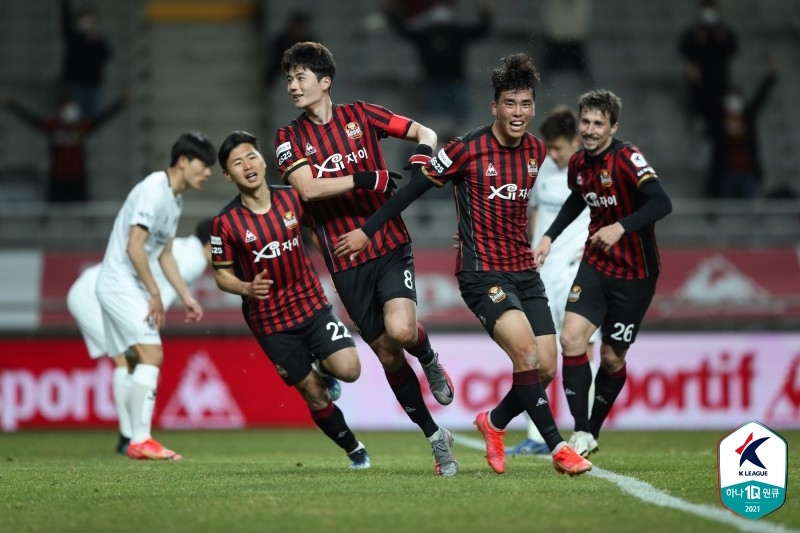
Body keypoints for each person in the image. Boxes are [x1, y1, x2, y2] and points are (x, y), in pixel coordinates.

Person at [334, 52, 592, 477]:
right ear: (494, 106)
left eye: (526, 103)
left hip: (525, 271)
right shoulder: (465, 148)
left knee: (545, 365)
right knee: (526, 351)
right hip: (481, 273)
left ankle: (493, 423)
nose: (518, 112)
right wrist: (367, 228)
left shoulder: (536, 151)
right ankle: (560, 449)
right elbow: (412, 190)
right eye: (509, 103)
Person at [274, 41, 457, 477]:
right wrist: (366, 176)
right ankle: (437, 439)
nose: (293, 86)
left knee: (401, 330)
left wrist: (421, 155)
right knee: (390, 357)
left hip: (389, 244)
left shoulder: (363, 115)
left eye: (300, 77)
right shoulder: (288, 138)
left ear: (325, 81)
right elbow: (308, 189)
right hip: (345, 262)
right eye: (288, 80)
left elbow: (425, 133)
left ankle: (429, 359)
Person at [212, 130, 370, 470]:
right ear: (228, 175)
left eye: (251, 156)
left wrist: (340, 274)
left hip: (311, 305)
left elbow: (318, 235)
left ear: (263, 159)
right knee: (313, 394)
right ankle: (354, 450)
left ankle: (328, 371)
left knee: (350, 369)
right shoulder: (224, 224)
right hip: (271, 323)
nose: (247, 165)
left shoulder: (293, 199)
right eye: (237, 163)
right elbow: (221, 275)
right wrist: (245, 288)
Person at [532, 89, 673, 457]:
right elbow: (578, 198)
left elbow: (661, 202)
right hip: (596, 265)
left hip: (635, 273)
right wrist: (548, 235)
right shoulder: (578, 163)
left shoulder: (628, 158)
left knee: (611, 358)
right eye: (587, 122)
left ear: (613, 127)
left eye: (599, 123)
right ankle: (579, 430)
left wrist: (621, 227)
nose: (591, 129)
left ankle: (591, 430)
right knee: (571, 340)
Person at [95, 131, 216, 461]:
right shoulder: (153, 190)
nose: (207, 173)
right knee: (152, 355)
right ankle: (140, 439)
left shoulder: (174, 199)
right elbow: (134, 246)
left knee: (136, 362)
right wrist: (155, 294)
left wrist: (185, 295)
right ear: (182, 161)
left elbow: (164, 254)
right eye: (203, 165)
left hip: (125, 285)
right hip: (119, 284)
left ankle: (135, 439)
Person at [67, 219, 214, 454]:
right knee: (128, 360)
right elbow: (162, 299)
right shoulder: (195, 259)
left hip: (90, 289)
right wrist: (150, 330)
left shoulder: (185, 248)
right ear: (211, 243)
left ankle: (128, 438)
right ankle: (129, 438)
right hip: (94, 296)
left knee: (128, 360)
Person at [506, 106, 600, 456]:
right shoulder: (541, 169)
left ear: (576, 141)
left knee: (581, 349)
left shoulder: (591, 172)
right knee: (534, 353)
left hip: (579, 273)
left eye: (559, 148)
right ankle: (535, 436)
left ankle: (584, 431)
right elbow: (532, 213)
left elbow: (612, 210)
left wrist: (595, 246)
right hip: (541, 274)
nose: (554, 153)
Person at [384, 0, 492, 128]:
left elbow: (480, 31)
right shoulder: (426, 34)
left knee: (465, 116)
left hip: (455, 81)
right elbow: (404, 31)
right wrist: (393, 13)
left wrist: (486, 14)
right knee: (436, 120)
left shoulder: (454, 32)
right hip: (435, 83)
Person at [0, 93, 127, 202]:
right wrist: (11, 105)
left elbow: (102, 119)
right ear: (60, 110)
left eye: (73, 108)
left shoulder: (82, 127)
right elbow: (32, 120)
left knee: (82, 210)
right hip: (58, 178)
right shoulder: (53, 127)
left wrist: (121, 103)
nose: (70, 112)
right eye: (67, 108)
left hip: (78, 178)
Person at [705, 58, 779, 199]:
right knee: (727, 211)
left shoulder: (747, 117)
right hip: (726, 173)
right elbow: (704, 102)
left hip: (747, 171)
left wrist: (771, 76)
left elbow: (760, 98)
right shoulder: (719, 120)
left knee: (748, 210)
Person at [677, 0, 739, 136]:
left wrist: (721, 40)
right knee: (701, 112)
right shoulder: (695, 32)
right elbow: (683, 48)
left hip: (719, 82)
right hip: (699, 85)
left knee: (719, 116)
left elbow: (733, 47)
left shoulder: (722, 32)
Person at [60, 0, 112, 117]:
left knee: (90, 123)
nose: (87, 23)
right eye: (84, 20)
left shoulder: (98, 41)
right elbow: (65, 22)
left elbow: (107, 55)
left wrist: (95, 38)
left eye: (90, 20)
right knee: (71, 119)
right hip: (75, 85)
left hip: (93, 87)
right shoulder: (74, 38)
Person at [264, 11, 317, 87]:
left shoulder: (311, 43)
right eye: (296, 26)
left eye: (300, 27)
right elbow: (277, 60)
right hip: (282, 73)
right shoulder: (280, 41)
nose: (298, 30)